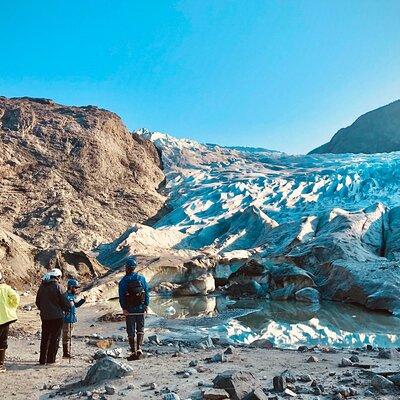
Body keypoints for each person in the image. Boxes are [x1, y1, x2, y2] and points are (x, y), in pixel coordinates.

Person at [36, 268, 71, 365]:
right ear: (58, 277)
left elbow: (37, 302)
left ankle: (42, 359)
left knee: (45, 337)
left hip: (45, 316)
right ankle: (51, 359)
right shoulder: (59, 287)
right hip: (57, 317)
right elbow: (66, 303)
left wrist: (44, 310)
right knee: (55, 338)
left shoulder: (42, 287)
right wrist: (66, 309)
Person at [118, 257, 149, 361]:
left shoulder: (123, 281)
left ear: (127, 268)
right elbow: (146, 293)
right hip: (140, 309)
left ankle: (132, 351)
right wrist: (146, 306)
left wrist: (124, 308)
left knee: (130, 331)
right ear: (135, 267)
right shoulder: (142, 278)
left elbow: (121, 296)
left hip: (130, 310)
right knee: (140, 329)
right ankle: (139, 348)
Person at [0, 271, 20, 373]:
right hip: (4, 319)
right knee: (2, 342)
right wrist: (11, 306)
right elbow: (16, 298)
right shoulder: (5, 288)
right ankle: (0, 365)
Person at [62, 278, 85, 358]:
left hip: (71, 319)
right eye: (75, 287)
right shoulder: (65, 296)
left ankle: (66, 352)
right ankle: (66, 353)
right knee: (66, 335)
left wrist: (82, 301)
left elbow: (76, 305)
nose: (76, 289)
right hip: (66, 319)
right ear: (71, 287)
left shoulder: (72, 296)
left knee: (69, 335)